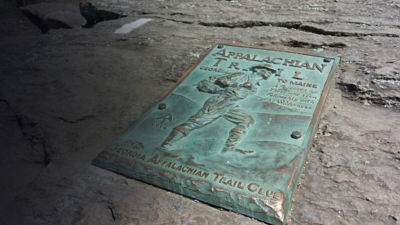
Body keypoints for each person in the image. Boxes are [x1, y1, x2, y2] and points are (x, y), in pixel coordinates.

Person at [161, 64, 280, 155]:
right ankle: (165, 146)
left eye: (271, 72)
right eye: (267, 70)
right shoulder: (242, 75)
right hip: (220, 101)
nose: (269, 73)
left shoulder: (256, 86)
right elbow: (221, 81)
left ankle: (228, 149)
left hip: (231, 104)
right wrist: (232, 87)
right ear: (257, 69)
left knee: (247, 120)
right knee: (196, 122)